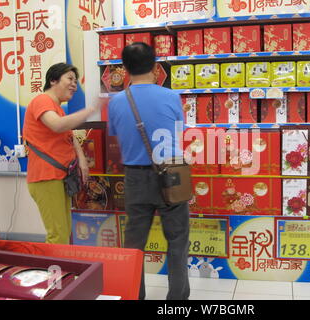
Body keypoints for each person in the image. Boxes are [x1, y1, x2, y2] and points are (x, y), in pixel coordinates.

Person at [108, 42, 190, 300]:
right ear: (156, 67)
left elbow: (115, 136)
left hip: (135, 178)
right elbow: (179, 131)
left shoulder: (116, 102)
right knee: (177, 241)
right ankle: (177, 300)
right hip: (172, 172)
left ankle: (134, 296)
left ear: (125, 69)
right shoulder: (171, 97)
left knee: (134, 246)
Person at [23, 62, 103, 245]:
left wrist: (82, 160)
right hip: (46, 177)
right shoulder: (41, 101)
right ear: (53, 80)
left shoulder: (56, 107)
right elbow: (58, 125)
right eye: (70, 79)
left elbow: (69, 135)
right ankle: (55, 273)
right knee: (57, 235)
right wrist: (90, 110)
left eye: (76, 80)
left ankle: (62, 271)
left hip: (58, 176)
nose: (74, 84)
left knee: (64, 231)